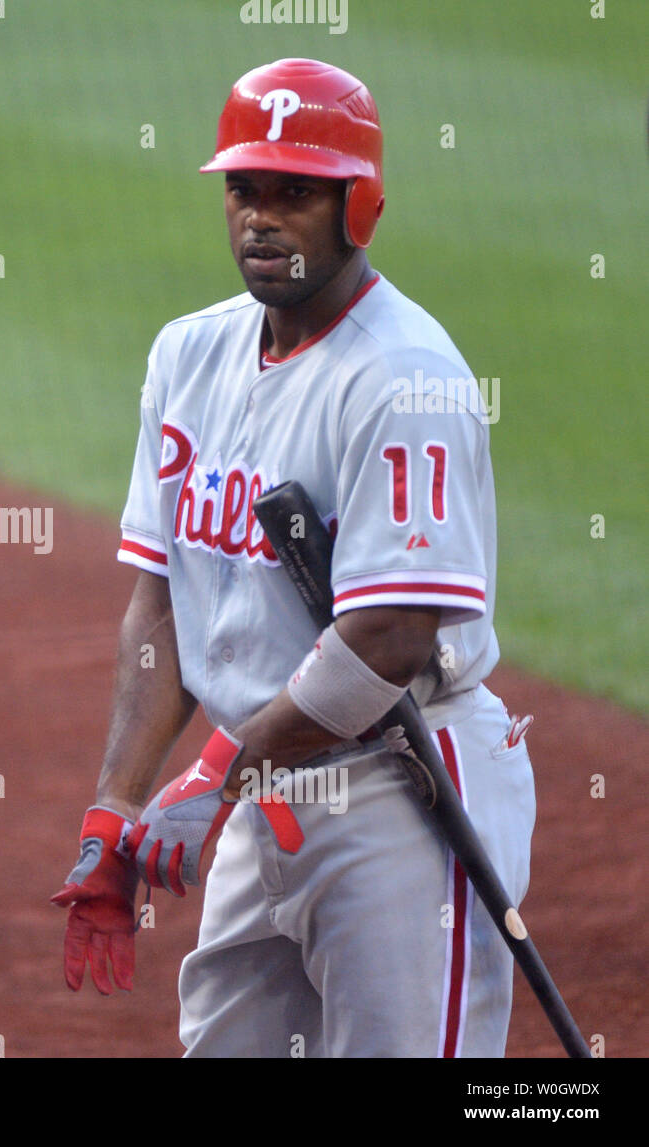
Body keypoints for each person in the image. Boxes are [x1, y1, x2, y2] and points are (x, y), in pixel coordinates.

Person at [52, 57, 535, 1057]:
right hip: (264, 792)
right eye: (244, 189)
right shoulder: (188, 355)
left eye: (295, 193)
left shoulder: (407, 379)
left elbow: (391, 637)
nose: (260, 218)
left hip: (398, 791)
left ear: (360, 206)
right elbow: (162, 603)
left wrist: (216, 774)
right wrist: (116, 808)